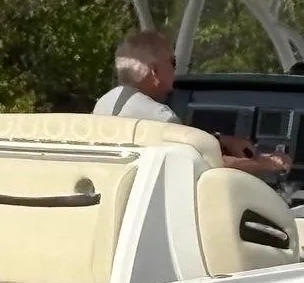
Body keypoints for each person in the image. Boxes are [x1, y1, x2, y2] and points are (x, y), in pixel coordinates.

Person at [94, 29, 293, 181]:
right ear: (154, 71)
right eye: (172, 62)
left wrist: (221, 140)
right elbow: (209, 166)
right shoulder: (160, 118)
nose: (175, 70)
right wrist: (264, 163)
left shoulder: (103, 105)